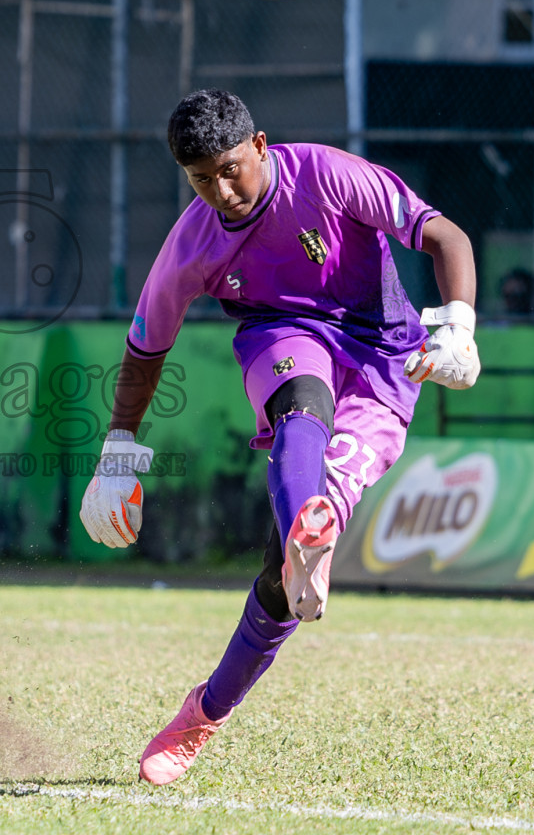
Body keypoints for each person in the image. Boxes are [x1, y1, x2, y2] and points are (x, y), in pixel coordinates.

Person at [80, 89, 479, 785]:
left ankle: (206, 707)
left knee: (276, 582)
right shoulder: (191, 245)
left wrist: (458, 331)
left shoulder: (328, 175)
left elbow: (446, 237)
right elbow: (146, 349)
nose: (222, 190)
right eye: (202, 178)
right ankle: (308, 530)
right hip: (283, 337)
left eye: (232, 168)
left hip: (388, 363)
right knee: (301, 407)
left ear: (260, 146)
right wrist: (118, 453)